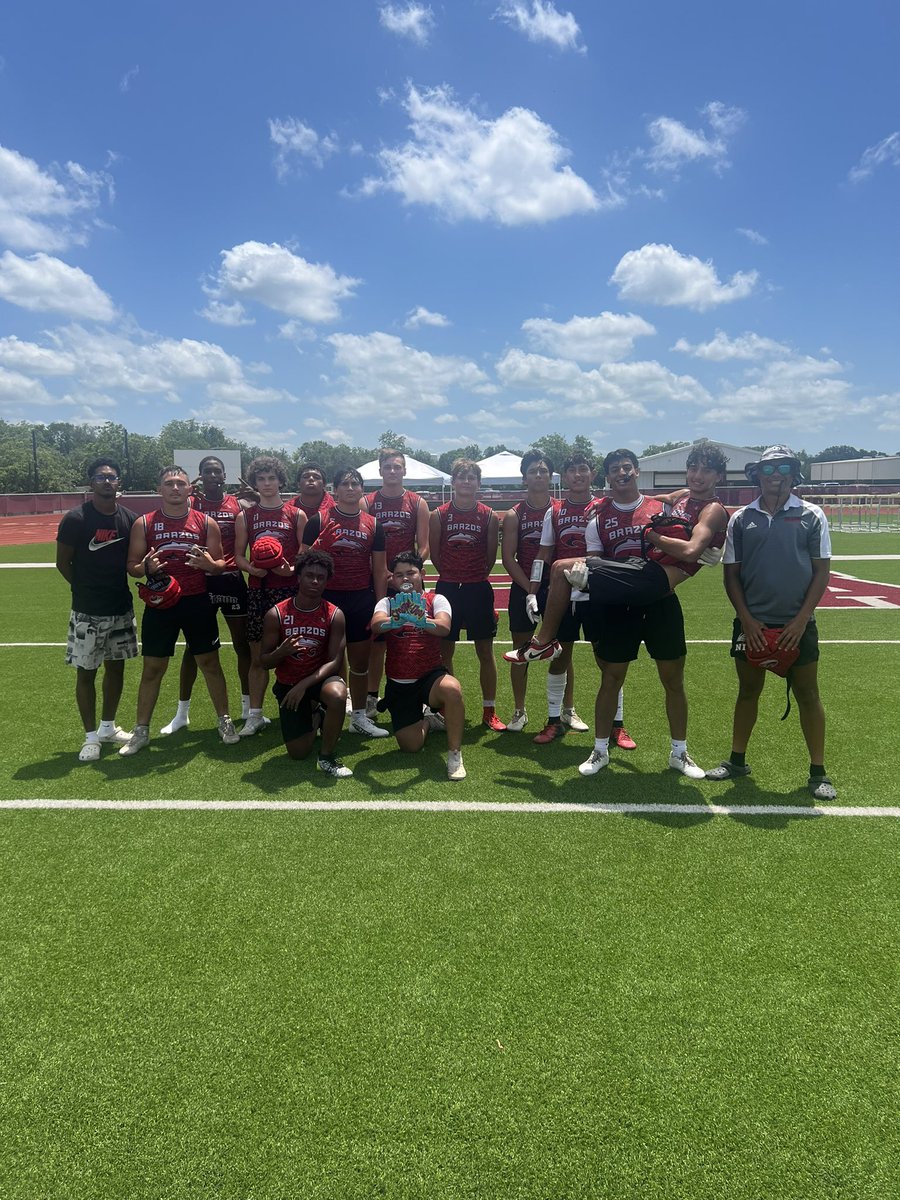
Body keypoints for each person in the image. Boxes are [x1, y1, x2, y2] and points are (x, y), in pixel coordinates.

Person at [510, 448, 727, 778]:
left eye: (627, 467)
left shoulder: (661, 506)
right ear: (607, 477)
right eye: (614, 469)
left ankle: (679, 753)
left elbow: (695, 507)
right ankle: (599, 749)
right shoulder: (597, 513)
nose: (622, 473)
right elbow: (591, 556)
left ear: (637, 471)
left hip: (658, 598)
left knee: (672, 679)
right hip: (616, 601)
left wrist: (712, 551)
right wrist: (553, 587)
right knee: (610, 675)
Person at [705, 445, 837, 800]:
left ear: (794, 474)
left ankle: (818, 772)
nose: (775, 475)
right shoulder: (741, 518)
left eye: (783, 468)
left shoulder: (812, 515)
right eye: (768, 469)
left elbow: (821, 573)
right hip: (753, 625)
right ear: (756, 475)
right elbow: (731, 575)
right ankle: (736, 761)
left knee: (808, 694)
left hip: (798, 624)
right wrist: (747, 621)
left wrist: (801, 620)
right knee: (748, 692)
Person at [119, 466, 239, 755]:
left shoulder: (205, 522)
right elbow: (132, 566)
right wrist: (145, 568)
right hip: (160, 604)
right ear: (159, 489)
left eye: (180, 484)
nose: (175, 488)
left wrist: (211, 567)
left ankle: (224, 721)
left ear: (189, 489)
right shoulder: (144, 523)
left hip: (197, 601)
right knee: (153, 668)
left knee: (210, 663)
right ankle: (141, 730)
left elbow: (221, 563)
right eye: (169, 484)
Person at [519, 451, 619, 746]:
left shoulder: (605, 507)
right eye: (572, 470)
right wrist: (533, 592)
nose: (578, 474)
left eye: (583, 469)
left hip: (598, 594)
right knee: (558, 658)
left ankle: (617, 724)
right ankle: (554, 721)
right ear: (564, 477)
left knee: (609, 661)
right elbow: (543, 553)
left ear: (592, 474)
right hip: (563, 597)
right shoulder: (556, 511)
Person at [159, 455, 252, 735]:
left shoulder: (238, 503)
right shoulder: (191, 502)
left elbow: (265, 510)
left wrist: (255, 494)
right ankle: (181, 713)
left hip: (231, 578)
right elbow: (167, 507)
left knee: (242, 645)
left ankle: (248, 709)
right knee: (194, 649)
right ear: (199, 477)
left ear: (225, 476)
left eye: (217, 472)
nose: (213, 476)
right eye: (207, 472)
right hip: (200, 582)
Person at [55, 457, 138, 762]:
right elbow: (62, 562)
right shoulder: (76, 519)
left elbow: (133, 563)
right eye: (100, 477)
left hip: (120, 607)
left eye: (112, 477)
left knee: (116, 668)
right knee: (86, 672)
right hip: (87, 611)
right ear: (91, 483)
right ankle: (90, 736)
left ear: (119, 483)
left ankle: (107, 727)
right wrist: (83, 589)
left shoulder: (128, 519)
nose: (107, 481)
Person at [301, 467, 388, 737]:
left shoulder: (374, 524)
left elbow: (379, 569)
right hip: (326, 600)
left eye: (356, 484)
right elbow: (301, 563)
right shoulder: (318, 520)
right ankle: (322, 714)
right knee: (326, 661)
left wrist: (380, 604)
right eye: (345, 484)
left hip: (360, 598)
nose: (351, 488)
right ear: (334, 490)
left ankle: (359, 718)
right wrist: (320, 542)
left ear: (362, 489)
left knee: (360, 663)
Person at [371, 552, 467, 781]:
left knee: (452, 689)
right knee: (411, 746)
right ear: (392, 579)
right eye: (399, 575)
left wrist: (420, 619)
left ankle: (454, 754)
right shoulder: (387, 602)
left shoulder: (436, 599)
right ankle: (428, 719)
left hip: (430, 676)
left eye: (410, 573)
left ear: (422, 574)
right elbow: (376, 625)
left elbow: (444, 627)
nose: (405, 579)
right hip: (400, 682)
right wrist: (395, 619)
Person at [259, 550, 353, 777]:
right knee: (298, 753)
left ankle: (327, 757)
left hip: (320, 679)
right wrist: (282, 652)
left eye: (321, 577)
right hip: (289, 683)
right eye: (309, 575)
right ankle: (318, 714)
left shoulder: (334, 614)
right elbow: (263, 662)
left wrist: (305, 685)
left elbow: (334, 661)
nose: (315, 581)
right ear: (298, 577)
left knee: (338, 695)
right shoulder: (277, 614)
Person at [429, 459, 506, 731]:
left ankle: (489, 709)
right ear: (453, 482)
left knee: (485, 651)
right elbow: (436, 554)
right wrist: (453, 576)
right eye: (461, 477)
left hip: (477, 588)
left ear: (478, 483)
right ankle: (447, 704)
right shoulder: (438, 514)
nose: (466, 482)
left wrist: (472, 577)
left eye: (471, 477)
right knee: (444, 650)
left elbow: (489, 557)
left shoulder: (488, 515)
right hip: (448, 587)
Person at [234, 456, 306, 736]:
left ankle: (301, 708)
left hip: (289, 592)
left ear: (280, 481)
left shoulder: (296, 514)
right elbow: (239, 555)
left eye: (271, 478)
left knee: (296, 652)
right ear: (255, 482)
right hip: (259, 591)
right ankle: (255, 715)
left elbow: (305, 551)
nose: (266, 484)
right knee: (258, 656)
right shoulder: (246, 516)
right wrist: (253, 568)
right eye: (261, 479)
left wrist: (292, 569)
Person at [362, 448, 431, 716]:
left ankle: (423, 693)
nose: (392, 471)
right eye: (388, 467)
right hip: (377, 581)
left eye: (397, 467)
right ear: (380, 470)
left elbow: (423, 547)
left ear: (404, 470)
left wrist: (405, 575)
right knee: (377, 641)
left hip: (408, 582)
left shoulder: (417, 503)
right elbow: (364, 546)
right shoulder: (367, 502)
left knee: (415, 636)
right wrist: (384, 575)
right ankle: (371, 696)